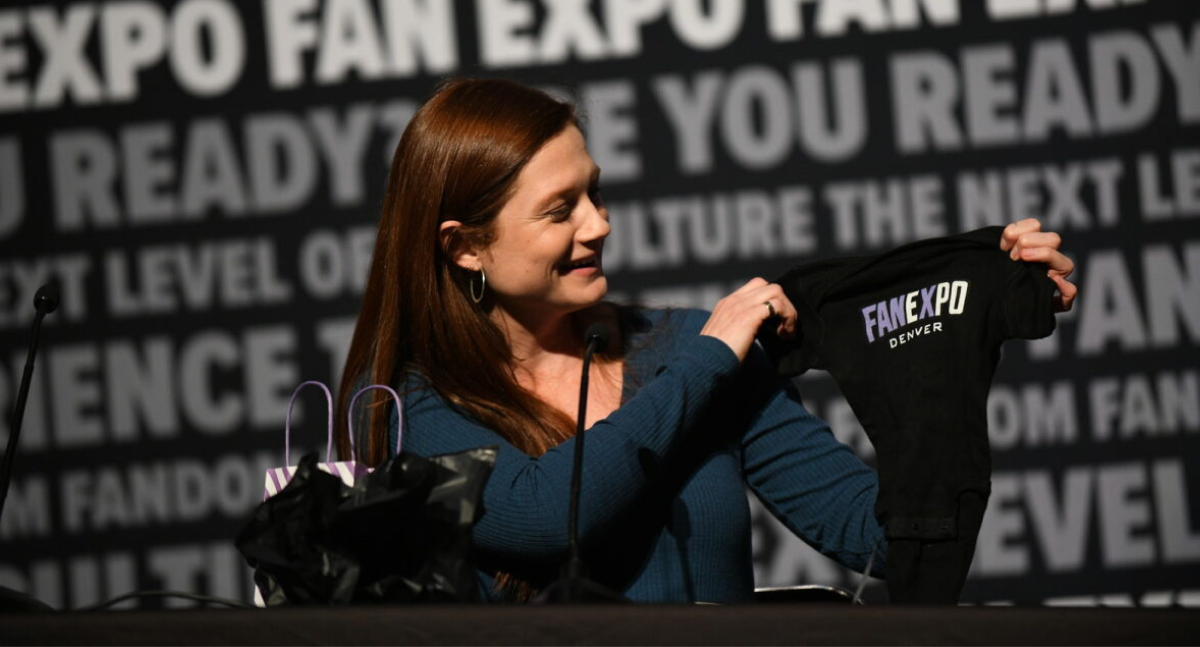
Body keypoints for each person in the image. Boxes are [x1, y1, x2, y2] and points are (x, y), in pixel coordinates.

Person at [335, 78, 1078, 603]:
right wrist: (709, 361)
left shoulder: (687, 344)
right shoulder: (405, 399)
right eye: (560, 210)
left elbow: (881, 537)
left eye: (595, 192)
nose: (598, 224)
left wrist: (950, 330)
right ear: (465, 247)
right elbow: (540, 517)